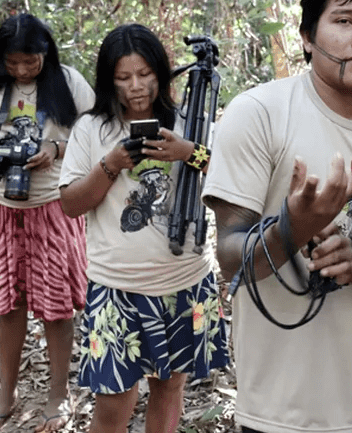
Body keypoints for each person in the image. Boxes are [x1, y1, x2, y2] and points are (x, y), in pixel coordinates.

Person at [202, 0, 352, 433]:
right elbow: (232, 260)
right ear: (306, 36)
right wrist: (292, 227)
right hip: (283, 411)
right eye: (344, 21)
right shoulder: (259, 114)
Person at [59, 23, 230, 433]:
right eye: (123, 77)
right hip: (116, 285)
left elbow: (236, 176)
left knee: (170, 387)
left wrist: (190, 152)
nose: (136, 86)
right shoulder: (92, 129)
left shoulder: (194, 121)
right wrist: (111, 164)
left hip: (185, 281)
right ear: (108, 81)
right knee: (114, 402)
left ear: (161, 73)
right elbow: (70, 203)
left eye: (145, 74)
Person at [0, 13, 94, 433]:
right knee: (7, 304)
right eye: (13, 62)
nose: (21, 70)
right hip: (2, 208)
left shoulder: (68, 82)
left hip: (53, 205)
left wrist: (55, 147)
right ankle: (7, 395)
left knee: (56, 308)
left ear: (46, 52)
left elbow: (97, 132)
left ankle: (58, 394)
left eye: (30, 62)